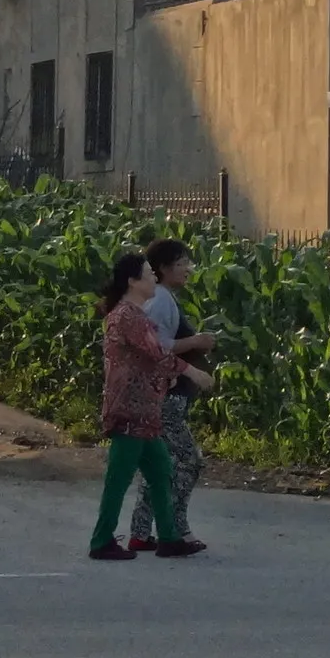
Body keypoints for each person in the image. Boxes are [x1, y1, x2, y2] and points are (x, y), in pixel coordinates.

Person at [87, 250, 210, 560]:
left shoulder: (133, 315)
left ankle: (168, 538)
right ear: (132, 281)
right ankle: (101, 541)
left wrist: (163, 379)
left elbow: (144, 358)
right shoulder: (129, 316)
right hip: (129, 409)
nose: (154, 277)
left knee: (161, 472)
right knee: (119, 479)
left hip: (144, 410)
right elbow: (158, 354)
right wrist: (193, 372)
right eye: (148, 274)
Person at [124, 238, 220, 552]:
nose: (188, 270)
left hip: (159, 395)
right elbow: (158, 347)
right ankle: (176, 530)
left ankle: (141, 531)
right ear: (164, 269)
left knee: (157, 463)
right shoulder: (162, 300)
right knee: (188, 462)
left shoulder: (160, 298)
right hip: (167, 396)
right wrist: (196, 342)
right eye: (182, 264)